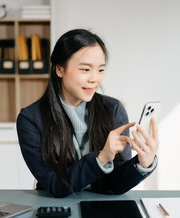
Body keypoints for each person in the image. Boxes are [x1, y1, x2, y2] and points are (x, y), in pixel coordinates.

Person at [17, 29, 159, 198]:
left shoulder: (113, 110)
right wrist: (100, 158)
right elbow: (54, 185)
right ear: (60, 70)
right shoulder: (31, 120)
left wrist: (144, 162)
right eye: (85, 70)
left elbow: (116, 185)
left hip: (101, 209)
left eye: (100, 70)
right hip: (57, 209)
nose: (95, 79)